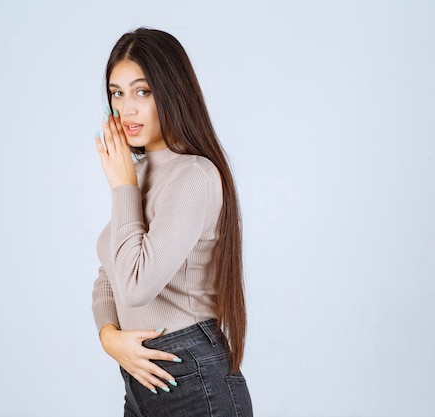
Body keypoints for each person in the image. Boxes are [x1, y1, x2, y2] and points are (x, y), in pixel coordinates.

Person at [92, 27, 253, 417]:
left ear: (171, 91)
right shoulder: (140, 173)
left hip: (192, 377)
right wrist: (109, 338)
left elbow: (135, 287)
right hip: (141, 384)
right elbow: (108, 277)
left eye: (142, 92)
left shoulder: (193, 175)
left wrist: (123, 186)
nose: (126, 109)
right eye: (117, 92)